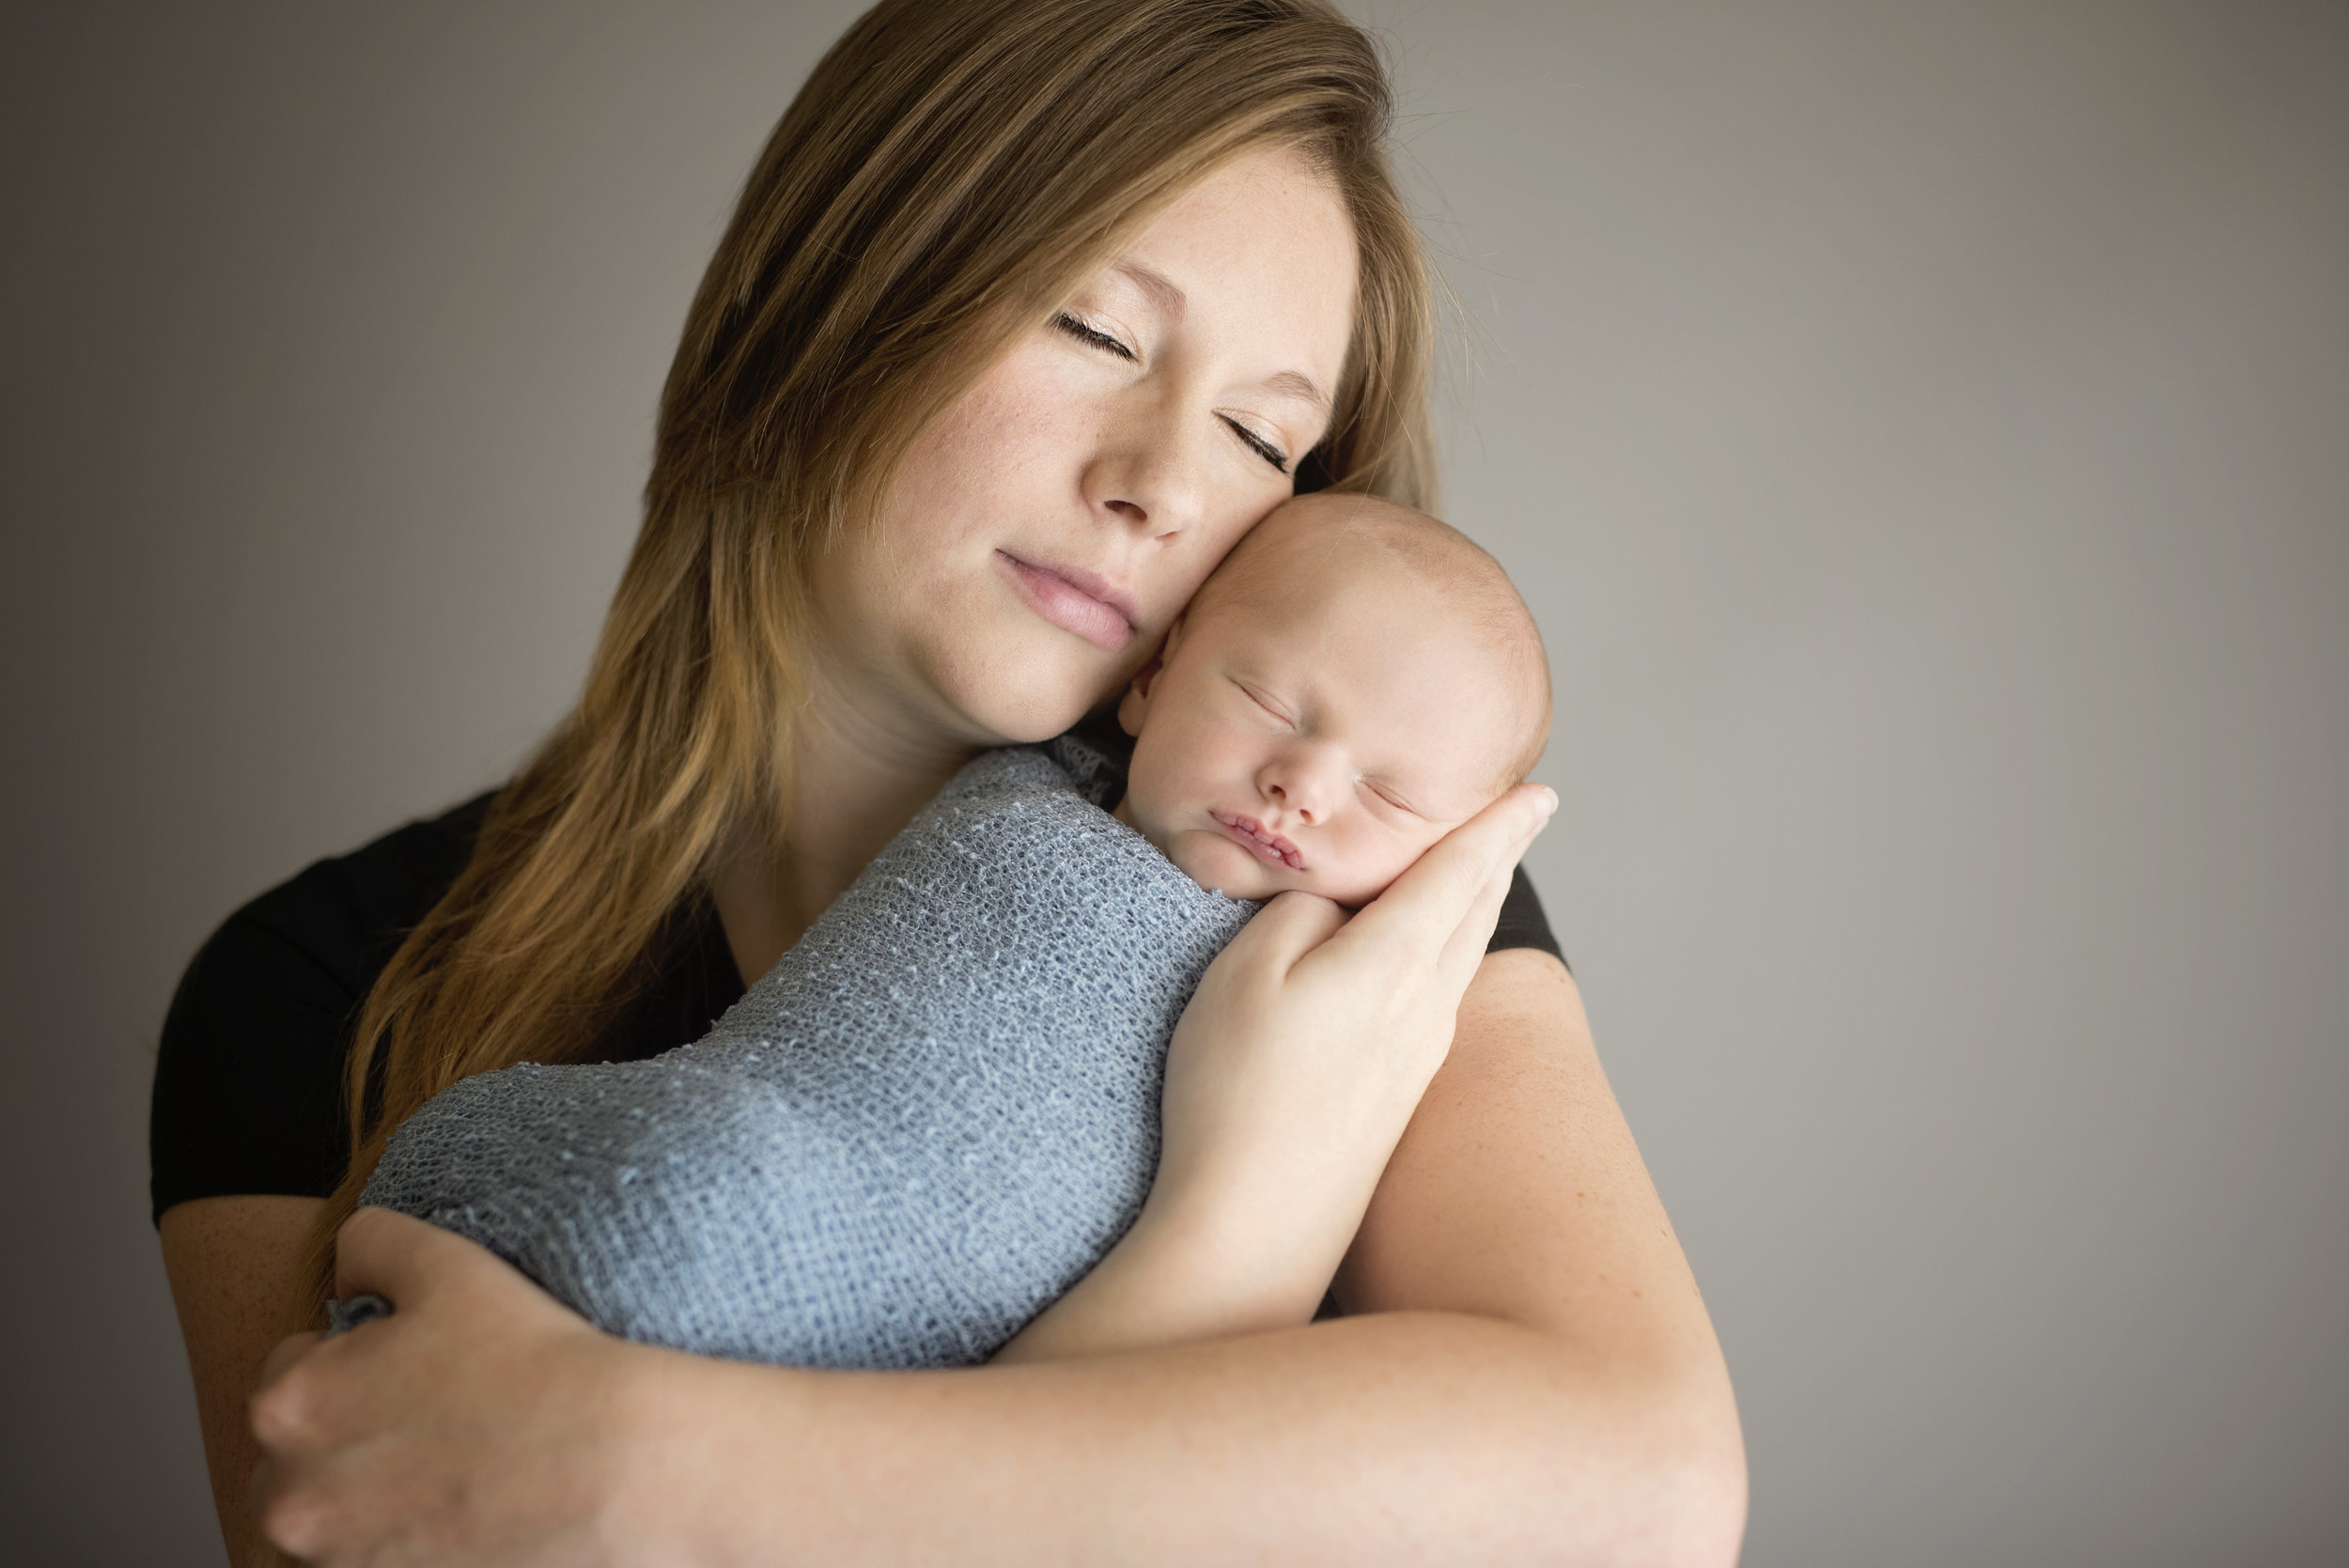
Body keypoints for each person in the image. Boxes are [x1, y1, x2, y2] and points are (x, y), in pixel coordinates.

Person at [151, 1, 1748, 1561]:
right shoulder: (316, 988)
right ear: (835, 293)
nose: (1163, 486)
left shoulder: (1324, 876)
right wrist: (1237, 1230)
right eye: (1098, 331)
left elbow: (1648, 1493)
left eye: (1263, 441)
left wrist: (654, 1470)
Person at [342, 495, 1553, 1373]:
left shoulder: (1380, 990)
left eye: (1390, 799)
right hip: (729, 1136)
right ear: (1156, 677)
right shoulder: (1027, 777)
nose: (1303, 784)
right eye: (1271, 704)